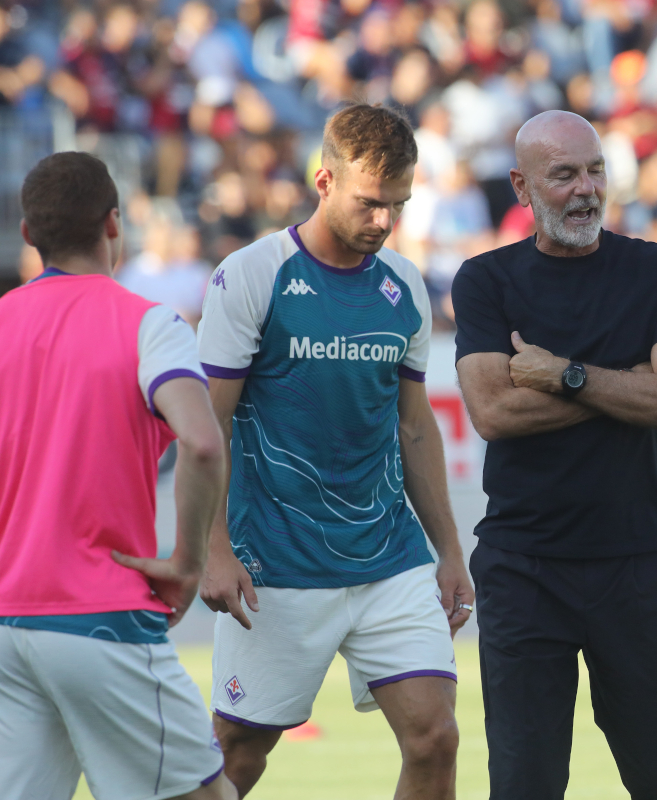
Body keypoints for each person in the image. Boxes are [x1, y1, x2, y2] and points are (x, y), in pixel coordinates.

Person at [195, 104, 472, 799]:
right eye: (371, 203)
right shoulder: (253, 275)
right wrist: (214, 547)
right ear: (324, 179)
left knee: (436, 737)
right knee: (239, 753)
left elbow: (414, 428)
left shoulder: (403, 286)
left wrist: (449, 552)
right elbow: (207, 427)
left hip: (389, 556)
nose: (385, 222)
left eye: (399, 206)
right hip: (276, 564)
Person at [452, 110, 657, 800]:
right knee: (523, 782)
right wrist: (629, 380)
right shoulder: (485, 280)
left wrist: (566, 373)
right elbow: (495, 411)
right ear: (522, 186)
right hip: (522, 568)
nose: (585, 190)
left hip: (635, 561)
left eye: (596, 170)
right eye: (563, 174)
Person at [0, 152, 237, 800]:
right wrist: (188, 561)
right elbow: (204, 442)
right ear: (114, 224)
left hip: (8, 622)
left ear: (28, 235)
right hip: (98, 611)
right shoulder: (149, 322)